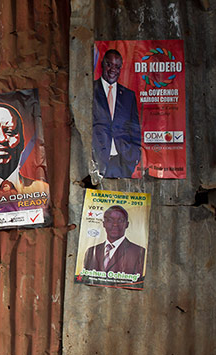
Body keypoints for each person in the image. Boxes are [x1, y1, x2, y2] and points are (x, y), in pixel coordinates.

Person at [92, 49, 142, 178]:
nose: (113, 69)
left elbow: (135, 128)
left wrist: (134, 156)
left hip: (123, 161)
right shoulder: (90, 90)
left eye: (117, 66)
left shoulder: (128, 96)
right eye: (109, 64)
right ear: (102, 64)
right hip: (95, 161)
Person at [83, 205, 146, 276]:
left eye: (120, 220)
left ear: (127, 224)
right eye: (110, 220)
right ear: (104, 224)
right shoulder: (91, 251)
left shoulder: (138, 252)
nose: (115, 224)